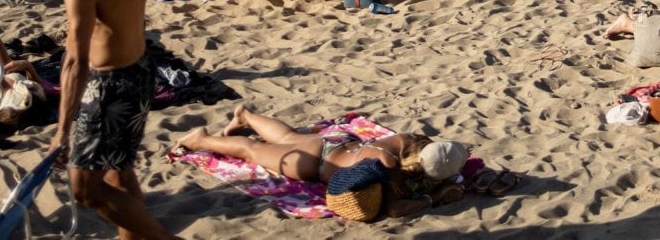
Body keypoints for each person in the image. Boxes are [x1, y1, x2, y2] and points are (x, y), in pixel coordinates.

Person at [51, 0, 172, 240]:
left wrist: (61, 131)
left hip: (112, 86)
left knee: (85, 187)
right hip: (140, 70)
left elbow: (75, 62)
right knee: (119, 169)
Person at [176, 111, 471, 217]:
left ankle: (247, 117)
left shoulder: (407, 139)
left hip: (337, 142)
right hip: (313, 165)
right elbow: (394, 210)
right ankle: (202, 139)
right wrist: (433, 197)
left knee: (289, 136)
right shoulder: (389, 168)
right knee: (251, 151)